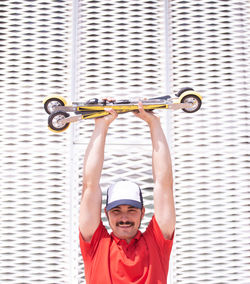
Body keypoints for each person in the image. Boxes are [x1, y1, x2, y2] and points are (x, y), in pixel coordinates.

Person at [79, 101, 176, 284]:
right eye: (117, 210)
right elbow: (89, 186)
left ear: (142, 212)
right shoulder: (97, 245)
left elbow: (164, 185)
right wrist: (101, 126)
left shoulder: (156, 244)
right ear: (107, 213)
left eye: (131, 209)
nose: (124, 217)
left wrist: (154, 123)